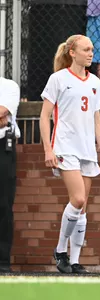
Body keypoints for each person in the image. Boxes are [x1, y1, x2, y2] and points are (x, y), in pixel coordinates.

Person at [40, 34, 100, 274]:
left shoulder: (94, 81)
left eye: (92, 49)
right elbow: (44, 116)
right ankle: (60, 250)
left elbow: (97, 121)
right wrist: (48, 149)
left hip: (87, 150)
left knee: (83, 208)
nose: (91, 53)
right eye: (85, 49)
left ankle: (74, 260)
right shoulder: (58, 79)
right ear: (72, 52)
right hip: (64, 147)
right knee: (78, 199)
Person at [0, 77, 20, 273]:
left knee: (3, 205)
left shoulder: (8, 86)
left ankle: (2, 262)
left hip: (3, 149)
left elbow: (2, 112)